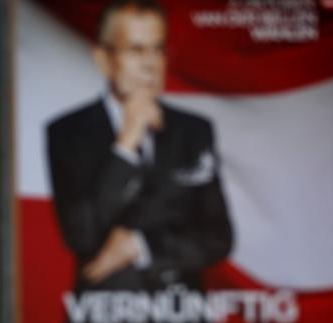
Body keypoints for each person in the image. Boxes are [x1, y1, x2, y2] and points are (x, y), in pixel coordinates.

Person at [47, 0, 233, 293]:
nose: (150, 64)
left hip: (180, 322)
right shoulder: (67, 132)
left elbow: (218, 237)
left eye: (157, 49)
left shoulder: (194, 130)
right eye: (136, 50)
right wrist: (126, 145)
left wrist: (140, 245)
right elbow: (81, 235)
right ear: (104, 60)